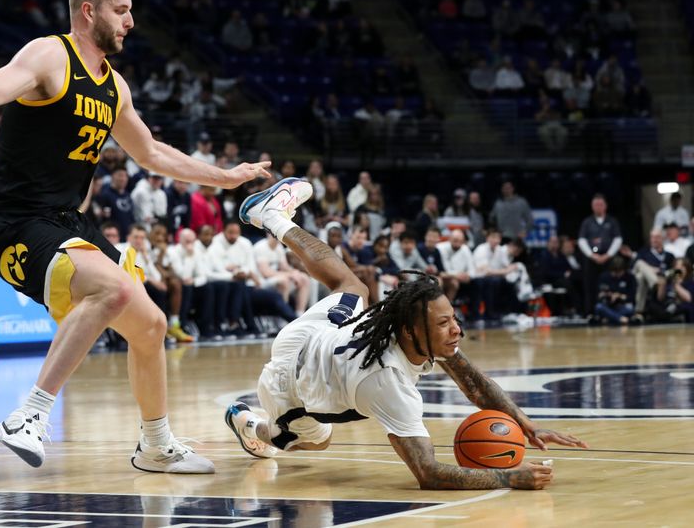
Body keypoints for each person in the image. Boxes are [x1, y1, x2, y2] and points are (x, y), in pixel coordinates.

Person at [0, 0, 270, 473]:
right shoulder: (50, 54)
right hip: (16, 221)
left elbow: (153, 153)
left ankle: (156, 444)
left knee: (152, 324)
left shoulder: (114, 86)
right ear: (89, 11)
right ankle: (29, 415)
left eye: (131, 11)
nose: (131, 21)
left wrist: (225, 177)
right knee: (113, 289)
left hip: (69, 223)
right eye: (121, 10)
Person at [225, 176, 586, 489]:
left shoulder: (412, 332)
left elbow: (474, 384)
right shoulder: (387, 382)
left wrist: (526, 425)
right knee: (317, 442)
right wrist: (508, 478)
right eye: (444, 324)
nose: (456, 329)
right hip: (288, 386)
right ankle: (252, 425)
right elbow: (428, 473)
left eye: (453, 318)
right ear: (412, 332)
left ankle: (270, 215)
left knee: (352, 284)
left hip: (314, 334)